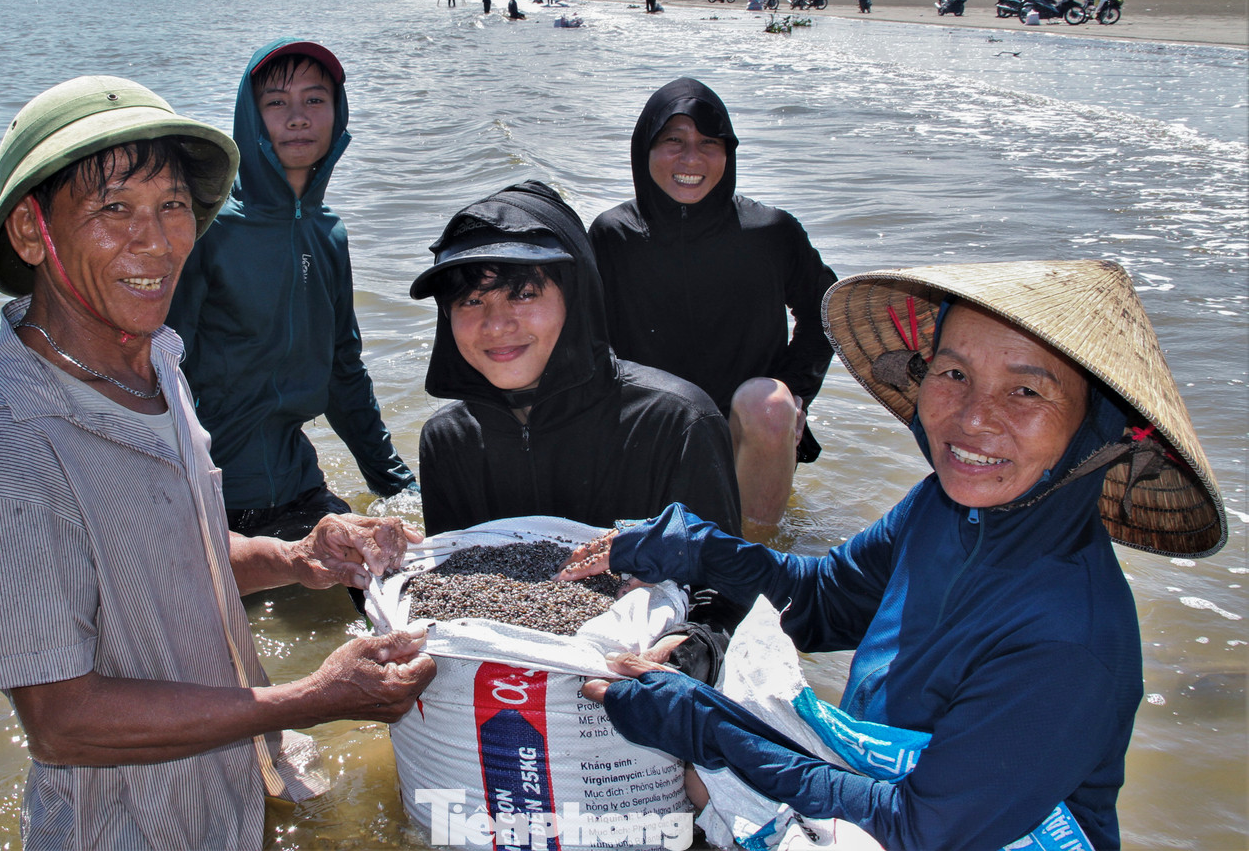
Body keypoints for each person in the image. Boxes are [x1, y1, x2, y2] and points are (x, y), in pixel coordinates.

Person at [560, 260, 1228, 849]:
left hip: (946, 830)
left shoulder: (1069, 640)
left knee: (694, 765)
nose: (972, 416)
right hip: (893, 792)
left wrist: (707, 727)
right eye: (954, 372)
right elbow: (820, 601)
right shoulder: (943, 508)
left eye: (1026, 390)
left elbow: (918, 828)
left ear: (1100, 434)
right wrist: (697, 547)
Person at [0, 76, 435, 849]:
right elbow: (64, 723)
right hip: (136, 824)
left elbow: (173, 556)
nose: (159, 240)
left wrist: (297, 558)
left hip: (235, 782)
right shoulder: (13, 445)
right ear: (32, 235)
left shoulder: (154, 357)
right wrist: (312, 696)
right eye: (113, 208)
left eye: (172, 205)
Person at [412, 181, 744, 677]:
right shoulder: (448, 440)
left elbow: (728, 589)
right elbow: (451, 583)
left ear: (577, 295)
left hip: (635, 682)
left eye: (523, 293)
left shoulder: (678, 422)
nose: (497, 324)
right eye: (471, 301)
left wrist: (690, 646)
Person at [168, 39, 416, 542]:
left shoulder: (329, 234)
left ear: (337, 113)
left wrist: (400, 488)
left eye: (315, 99)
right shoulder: (207, 229)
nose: (298, 117)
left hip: (299, 492)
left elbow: (343, 371)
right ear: (250, 116)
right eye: (277, 102)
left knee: (398, 578)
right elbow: (156, 371)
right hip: (203, 502)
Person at [589, 78, 837, 530]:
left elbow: (827, 312)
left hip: (747, 430)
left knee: (769, 402)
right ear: (644, 149)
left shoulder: (770, 232)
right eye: (673, 142)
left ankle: (755, 554)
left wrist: (795, 392)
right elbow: (584, 336)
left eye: (709, 143)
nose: (691, 159)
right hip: (649, 425)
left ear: (729, 152)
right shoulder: (613, 235)